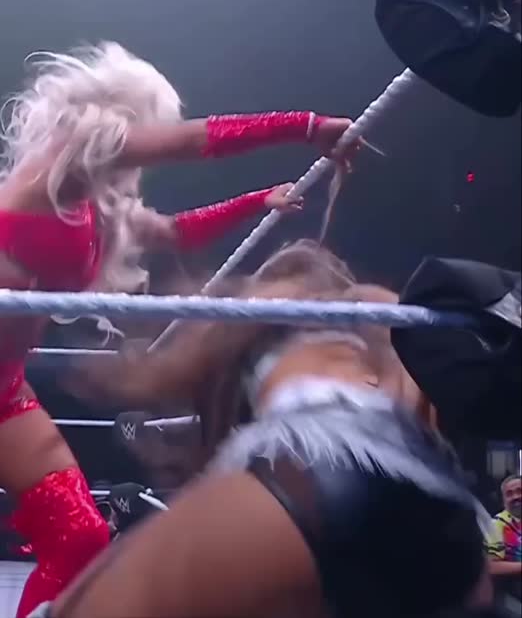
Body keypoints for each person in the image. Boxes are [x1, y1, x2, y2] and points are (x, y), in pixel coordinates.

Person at [0, 41, 356, 618]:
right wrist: (308, 126)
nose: (144, 145)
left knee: (79, 537)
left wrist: (257, 201)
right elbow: (193, 141)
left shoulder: (94, 206)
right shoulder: (65, 154)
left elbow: (173, 232)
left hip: (5, 392)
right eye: (146, 127)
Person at [39, 241, 493, 618]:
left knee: (87, 604)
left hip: (319, 452)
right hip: (436, 497)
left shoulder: (264, 311)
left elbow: (216, 422)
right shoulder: (380, 311)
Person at [486, 475, 522, 600]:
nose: (516, 497)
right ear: (504, 500)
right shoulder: (496, 525)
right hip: (512, 592)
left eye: (519, 491)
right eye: (509, 494)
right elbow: (491, 567)